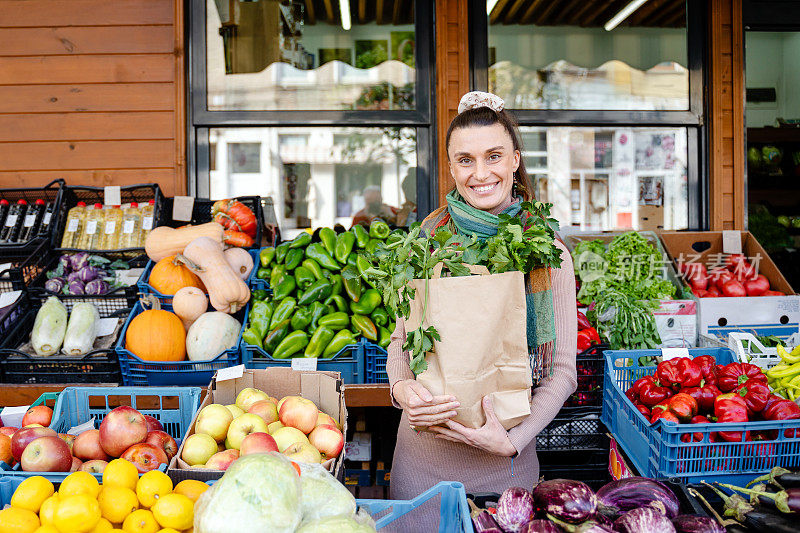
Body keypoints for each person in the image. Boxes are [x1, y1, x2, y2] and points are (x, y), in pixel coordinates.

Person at [386, 91, 578, 531]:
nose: (480, 173)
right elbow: (400, 341)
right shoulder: (426, 244)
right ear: (452, 168)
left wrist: (510, 441)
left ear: (514, 159)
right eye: (465, 160)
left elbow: (564, 371)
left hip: (506, 478)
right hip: (420, 472)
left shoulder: (546, 255)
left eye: (493, 156)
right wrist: (402, 393)